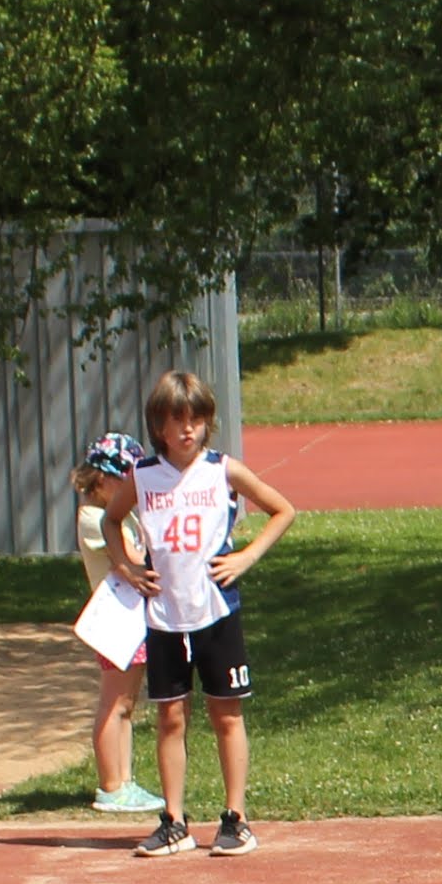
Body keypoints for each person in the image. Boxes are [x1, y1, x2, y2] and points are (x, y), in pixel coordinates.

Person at [122, 367, 292, 857]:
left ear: (208, 423)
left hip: (216, 611)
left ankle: (236, 818)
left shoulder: (223, 470)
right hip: (164, 616)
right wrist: (127, 566)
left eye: (195, 420)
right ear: (159, 426)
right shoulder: (143, 477)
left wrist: (246, 557)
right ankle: (174, 821)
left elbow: (283, 510)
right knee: (170, 717)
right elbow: (112, 521)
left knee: (226, 715)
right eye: (176, 421)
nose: (187, 430)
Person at [71, 432, 159, 814]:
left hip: (133, 619)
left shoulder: (118, 514)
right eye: (125, 480)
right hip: (115, 621)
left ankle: (125, 780)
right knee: (114, 702)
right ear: (102, 479)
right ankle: (111, 786)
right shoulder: (95, 519)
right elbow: (134, 557)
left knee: (127, 704)